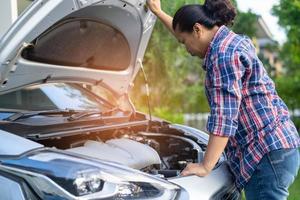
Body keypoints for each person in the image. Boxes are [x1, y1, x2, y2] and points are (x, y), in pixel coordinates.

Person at [146, 0, 300, 199]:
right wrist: (158, 12)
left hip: (267, 154)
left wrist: (205, 166)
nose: (187, 50)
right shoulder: (228, 41)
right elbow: (184, 32)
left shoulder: (223, 56)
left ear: (197, 29)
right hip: (277, 146)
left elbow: (224, 116)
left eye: (184, 42)